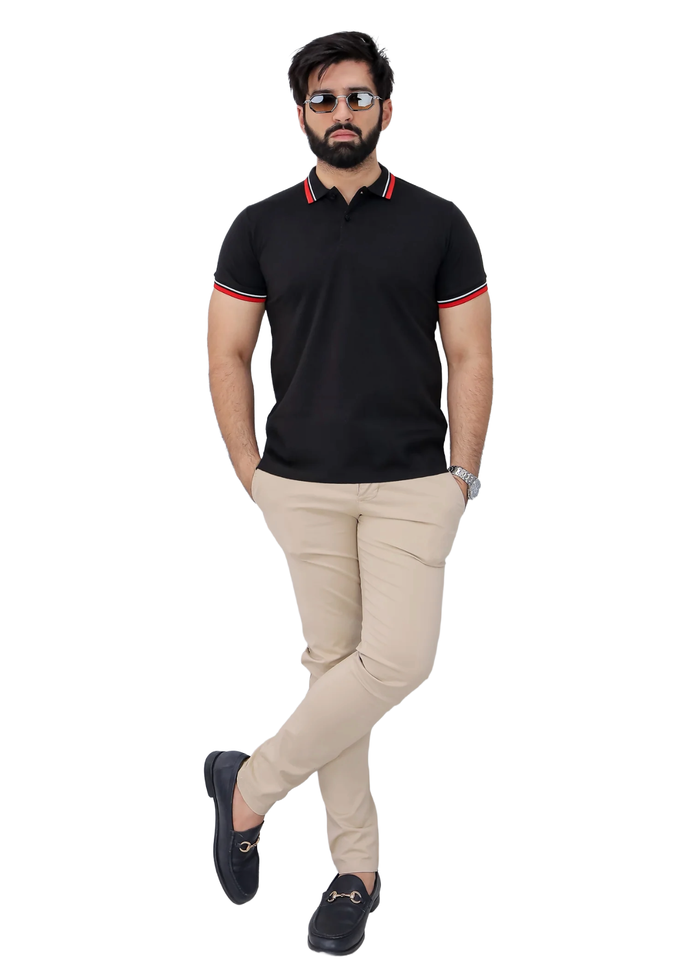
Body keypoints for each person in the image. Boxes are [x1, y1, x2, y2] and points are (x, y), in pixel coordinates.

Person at [204, 30, 492, 954]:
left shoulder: (438, 223)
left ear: (385, 110)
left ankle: (248, 786)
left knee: (395, 663)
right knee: (337, 673)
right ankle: (355, 875)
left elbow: (471, 354)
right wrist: (250, 471)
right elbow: (227, 352)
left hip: (413, 484)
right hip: (300, 486)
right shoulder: (260, 226)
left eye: (357, 98)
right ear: (301, 113)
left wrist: (462, 474)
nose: (341, 114)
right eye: (323, 100)